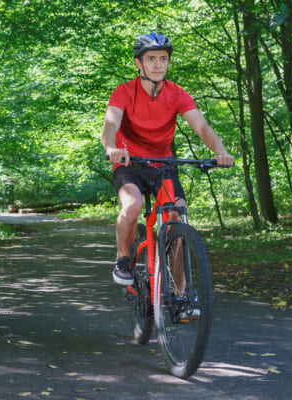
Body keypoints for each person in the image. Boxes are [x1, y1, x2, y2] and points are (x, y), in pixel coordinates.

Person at [101, 33, 235, 286]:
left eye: (163, 59)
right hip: (129, 163)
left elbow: (202, 126)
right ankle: (122, 257)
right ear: (138, 63)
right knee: (132, 205)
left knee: (178, 217)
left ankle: (181, 292)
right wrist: (111, 147)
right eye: (151, 58)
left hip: (163, 165)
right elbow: (110, 123)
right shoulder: (124, 92)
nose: (158, 64)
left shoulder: (176, 94)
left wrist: (220, 151)